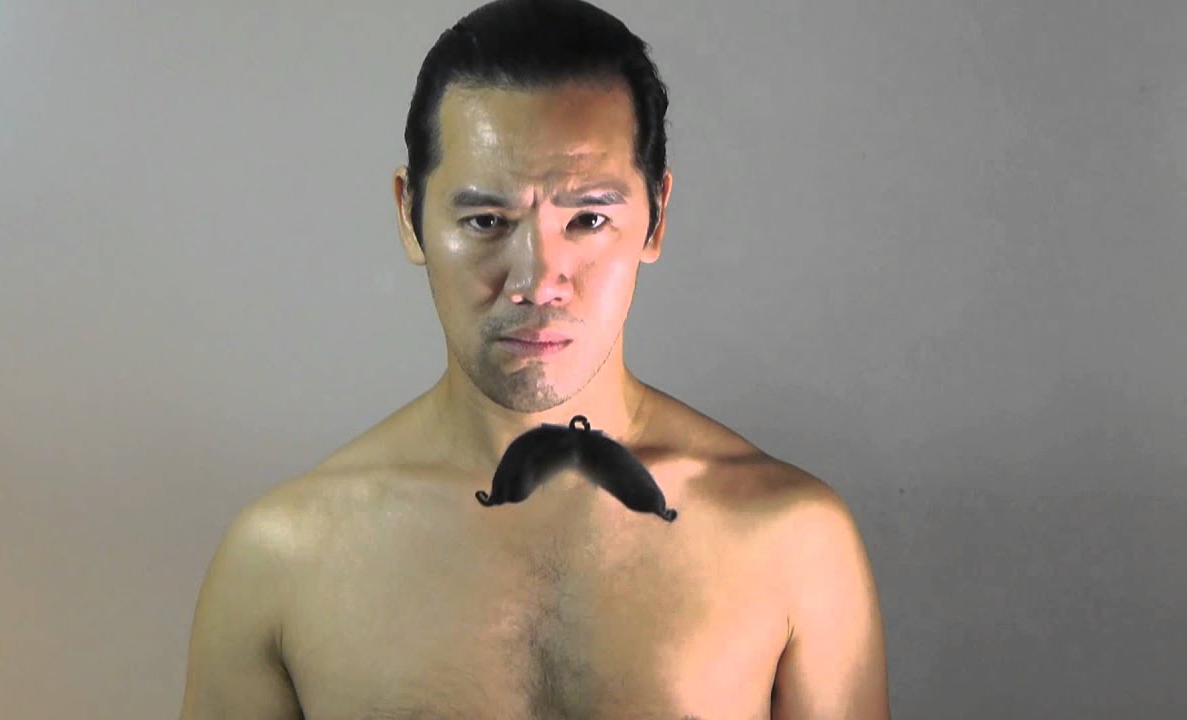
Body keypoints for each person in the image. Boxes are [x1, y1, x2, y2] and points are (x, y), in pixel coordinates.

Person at [178, 1, 891, 717]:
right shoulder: (282, 563)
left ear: (656, 218)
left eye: (588, 219)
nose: (538, 280)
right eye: (487, 221)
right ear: (408, 215)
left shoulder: (791, 543)